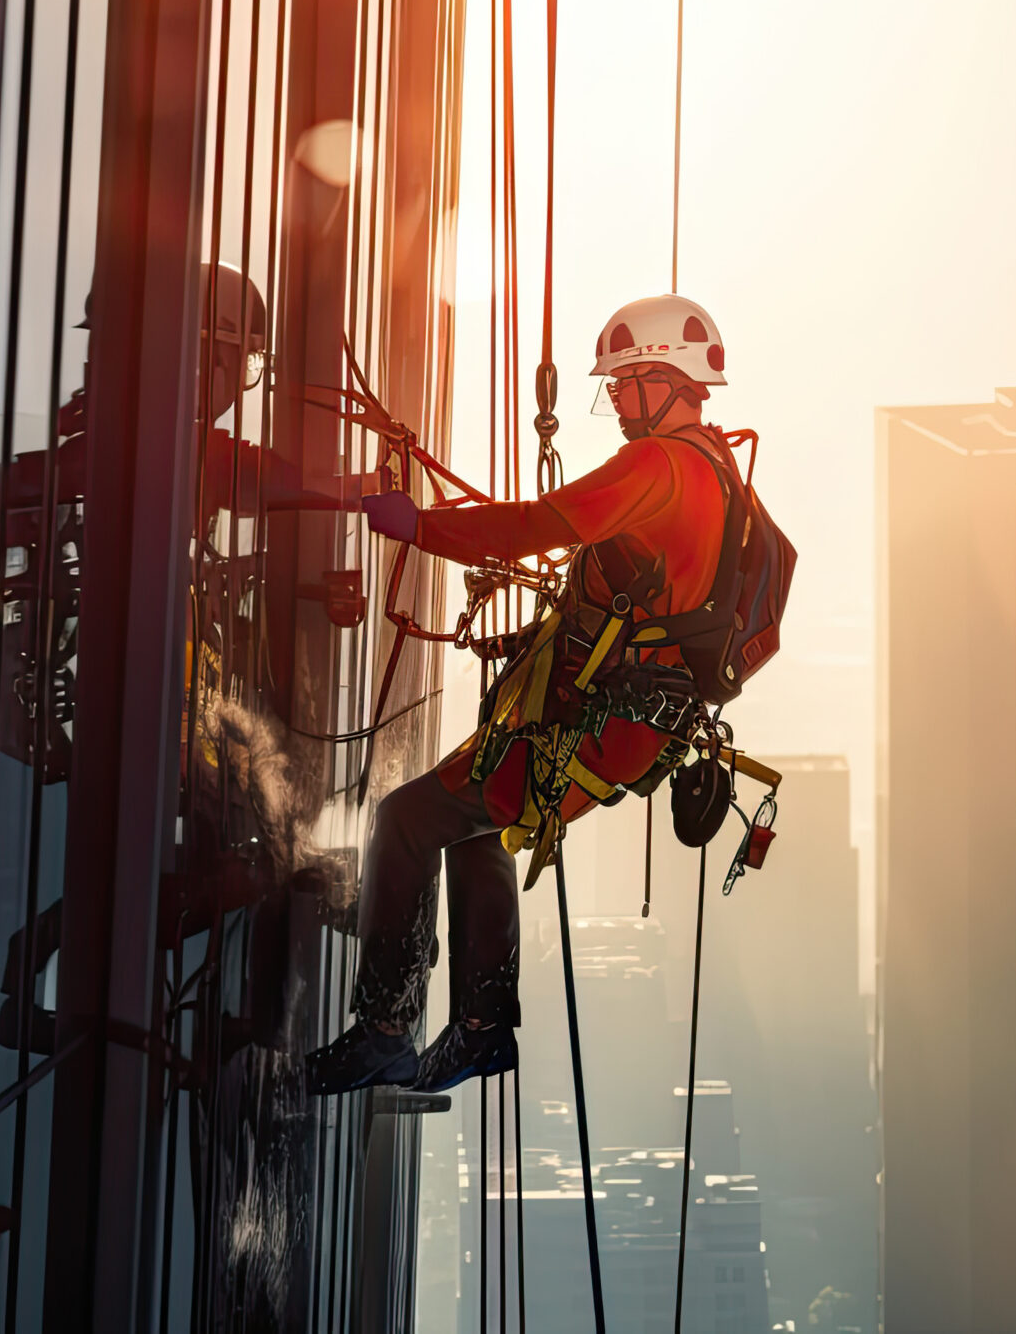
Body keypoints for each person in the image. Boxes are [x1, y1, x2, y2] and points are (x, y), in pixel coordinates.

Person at [306, 293, 746, 1095]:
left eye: (622, 383)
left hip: (591, 725)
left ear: (661, 377)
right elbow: (642, 602)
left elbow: (536, 526)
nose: (612, 398)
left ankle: (382, 1030)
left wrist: (420, 526)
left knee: (405, 819)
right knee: (478, 825)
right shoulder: (712, 467)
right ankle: (480, 1027)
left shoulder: (658, 465)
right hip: (617, 724)